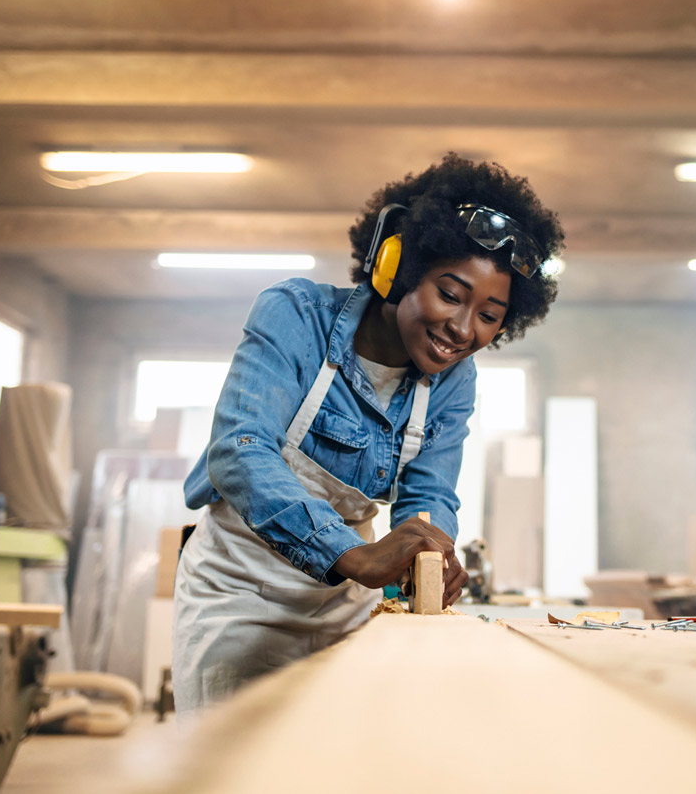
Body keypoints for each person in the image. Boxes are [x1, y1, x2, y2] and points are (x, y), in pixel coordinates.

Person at [172, 153, 565, 708]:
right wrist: (354, 556)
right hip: (240, 596)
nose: (462, 328)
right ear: (397, 269)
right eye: (450, 295)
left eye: (489, 314)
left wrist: (431, 555)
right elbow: (240, 452)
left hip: (345, 608)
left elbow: (427, 493)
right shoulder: (296, 315)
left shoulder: (454, 377)